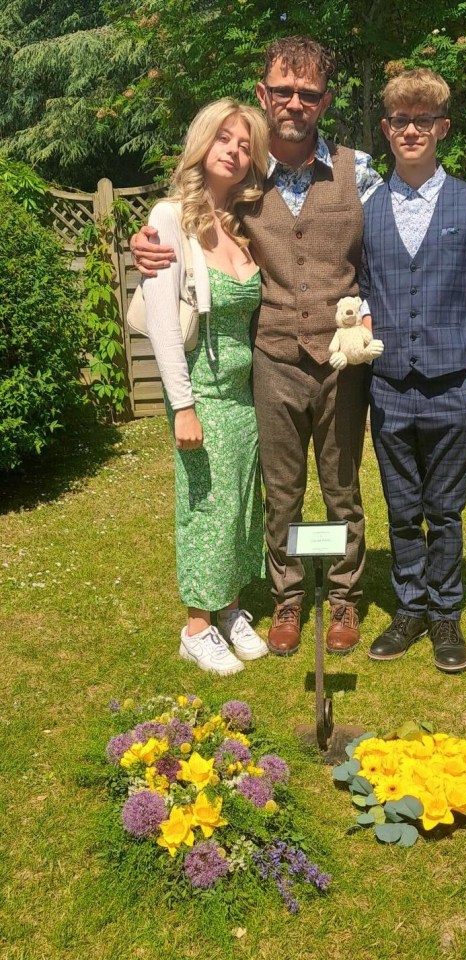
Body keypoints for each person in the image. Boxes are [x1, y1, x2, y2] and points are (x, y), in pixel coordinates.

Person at [131, 36, 466, 659]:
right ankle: (285, 596)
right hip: (272, 358)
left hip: (345, 363)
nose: (295, 104)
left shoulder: (358, 172)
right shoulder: (246, 177)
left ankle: (342, 597)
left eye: (308, 94)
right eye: (283, 91)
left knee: (341, 487)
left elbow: (419, 197)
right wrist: (148, 244)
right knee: (281, 487)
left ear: (325, 101)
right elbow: (190, 211)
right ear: (264, 95)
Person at [361, 68, 466, 673]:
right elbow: (363, 289)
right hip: (389, 387)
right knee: (400, 508)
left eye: (423, 120)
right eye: (400, 120)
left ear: (442, 128)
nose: (411, 130)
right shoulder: (366, 204)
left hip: (452, 386)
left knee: (444, 509)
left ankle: (445, 612)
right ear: (387, 130)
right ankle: (409, 607)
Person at [142, 97, 270, 676]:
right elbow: (165, 323)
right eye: (225, 140)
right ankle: (197, 624)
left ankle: (230, 610)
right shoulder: (171, 219)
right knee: (205, 508)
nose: (235, 152)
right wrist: (182, 407)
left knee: (241, 506)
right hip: (205, 392)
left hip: (246, 397)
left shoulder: (242, 223)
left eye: (245, 145)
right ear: (202, 143)